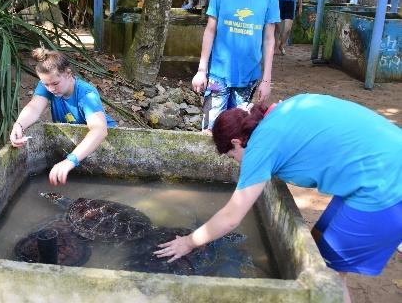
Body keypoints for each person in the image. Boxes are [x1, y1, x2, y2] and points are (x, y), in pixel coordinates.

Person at [155, 94, 402, 303]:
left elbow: (232, 217)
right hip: (381, 163)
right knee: (315, 248)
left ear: (236, 142)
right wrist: (208, 235)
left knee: (326, 277)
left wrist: (189, 242)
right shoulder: (279, 112)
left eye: (232, 157)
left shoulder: (260, 147)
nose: (238, 163)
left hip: (384, 185)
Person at [191, 0, 280, 136]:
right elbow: (210, 30)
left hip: (247, 77)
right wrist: (201, 69)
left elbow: (269, 40)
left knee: (238, 132)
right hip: (217, 74)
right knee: (210, 131)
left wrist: (267, 79)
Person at [10, 48, 116, 186]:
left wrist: (70, 160)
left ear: (68, 73)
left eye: (55, 83)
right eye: (45, 84)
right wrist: (18, 125)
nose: (51, 89)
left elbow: (100, 130)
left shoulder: (86, 94)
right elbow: (34, 107)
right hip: (77, 144)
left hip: (103, 143)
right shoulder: (49, 85)